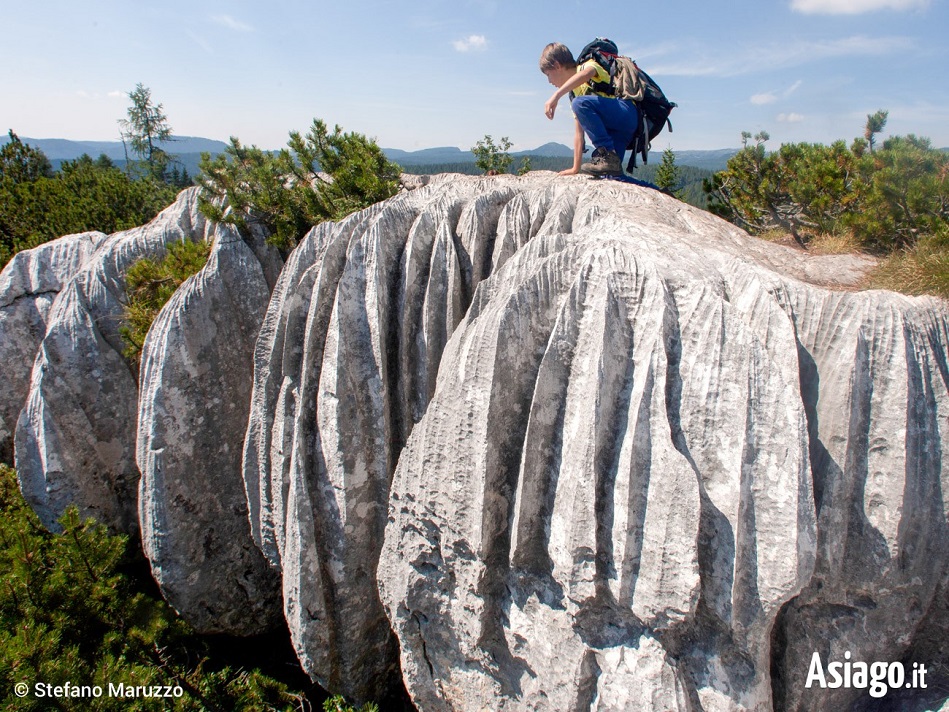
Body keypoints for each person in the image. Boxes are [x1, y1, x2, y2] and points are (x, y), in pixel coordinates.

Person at [540, 42, 639, 177]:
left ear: (557, 66)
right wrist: (575, 168)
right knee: (610, 176)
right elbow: (578, 134)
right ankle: (660, 193)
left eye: (548, 75)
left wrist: (556, 96)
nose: (549, 81)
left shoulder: (586, 66)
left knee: (579, 103)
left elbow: (588, 73)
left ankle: (607, 155)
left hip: (625, 112)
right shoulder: (575, 94)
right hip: (616, 131)